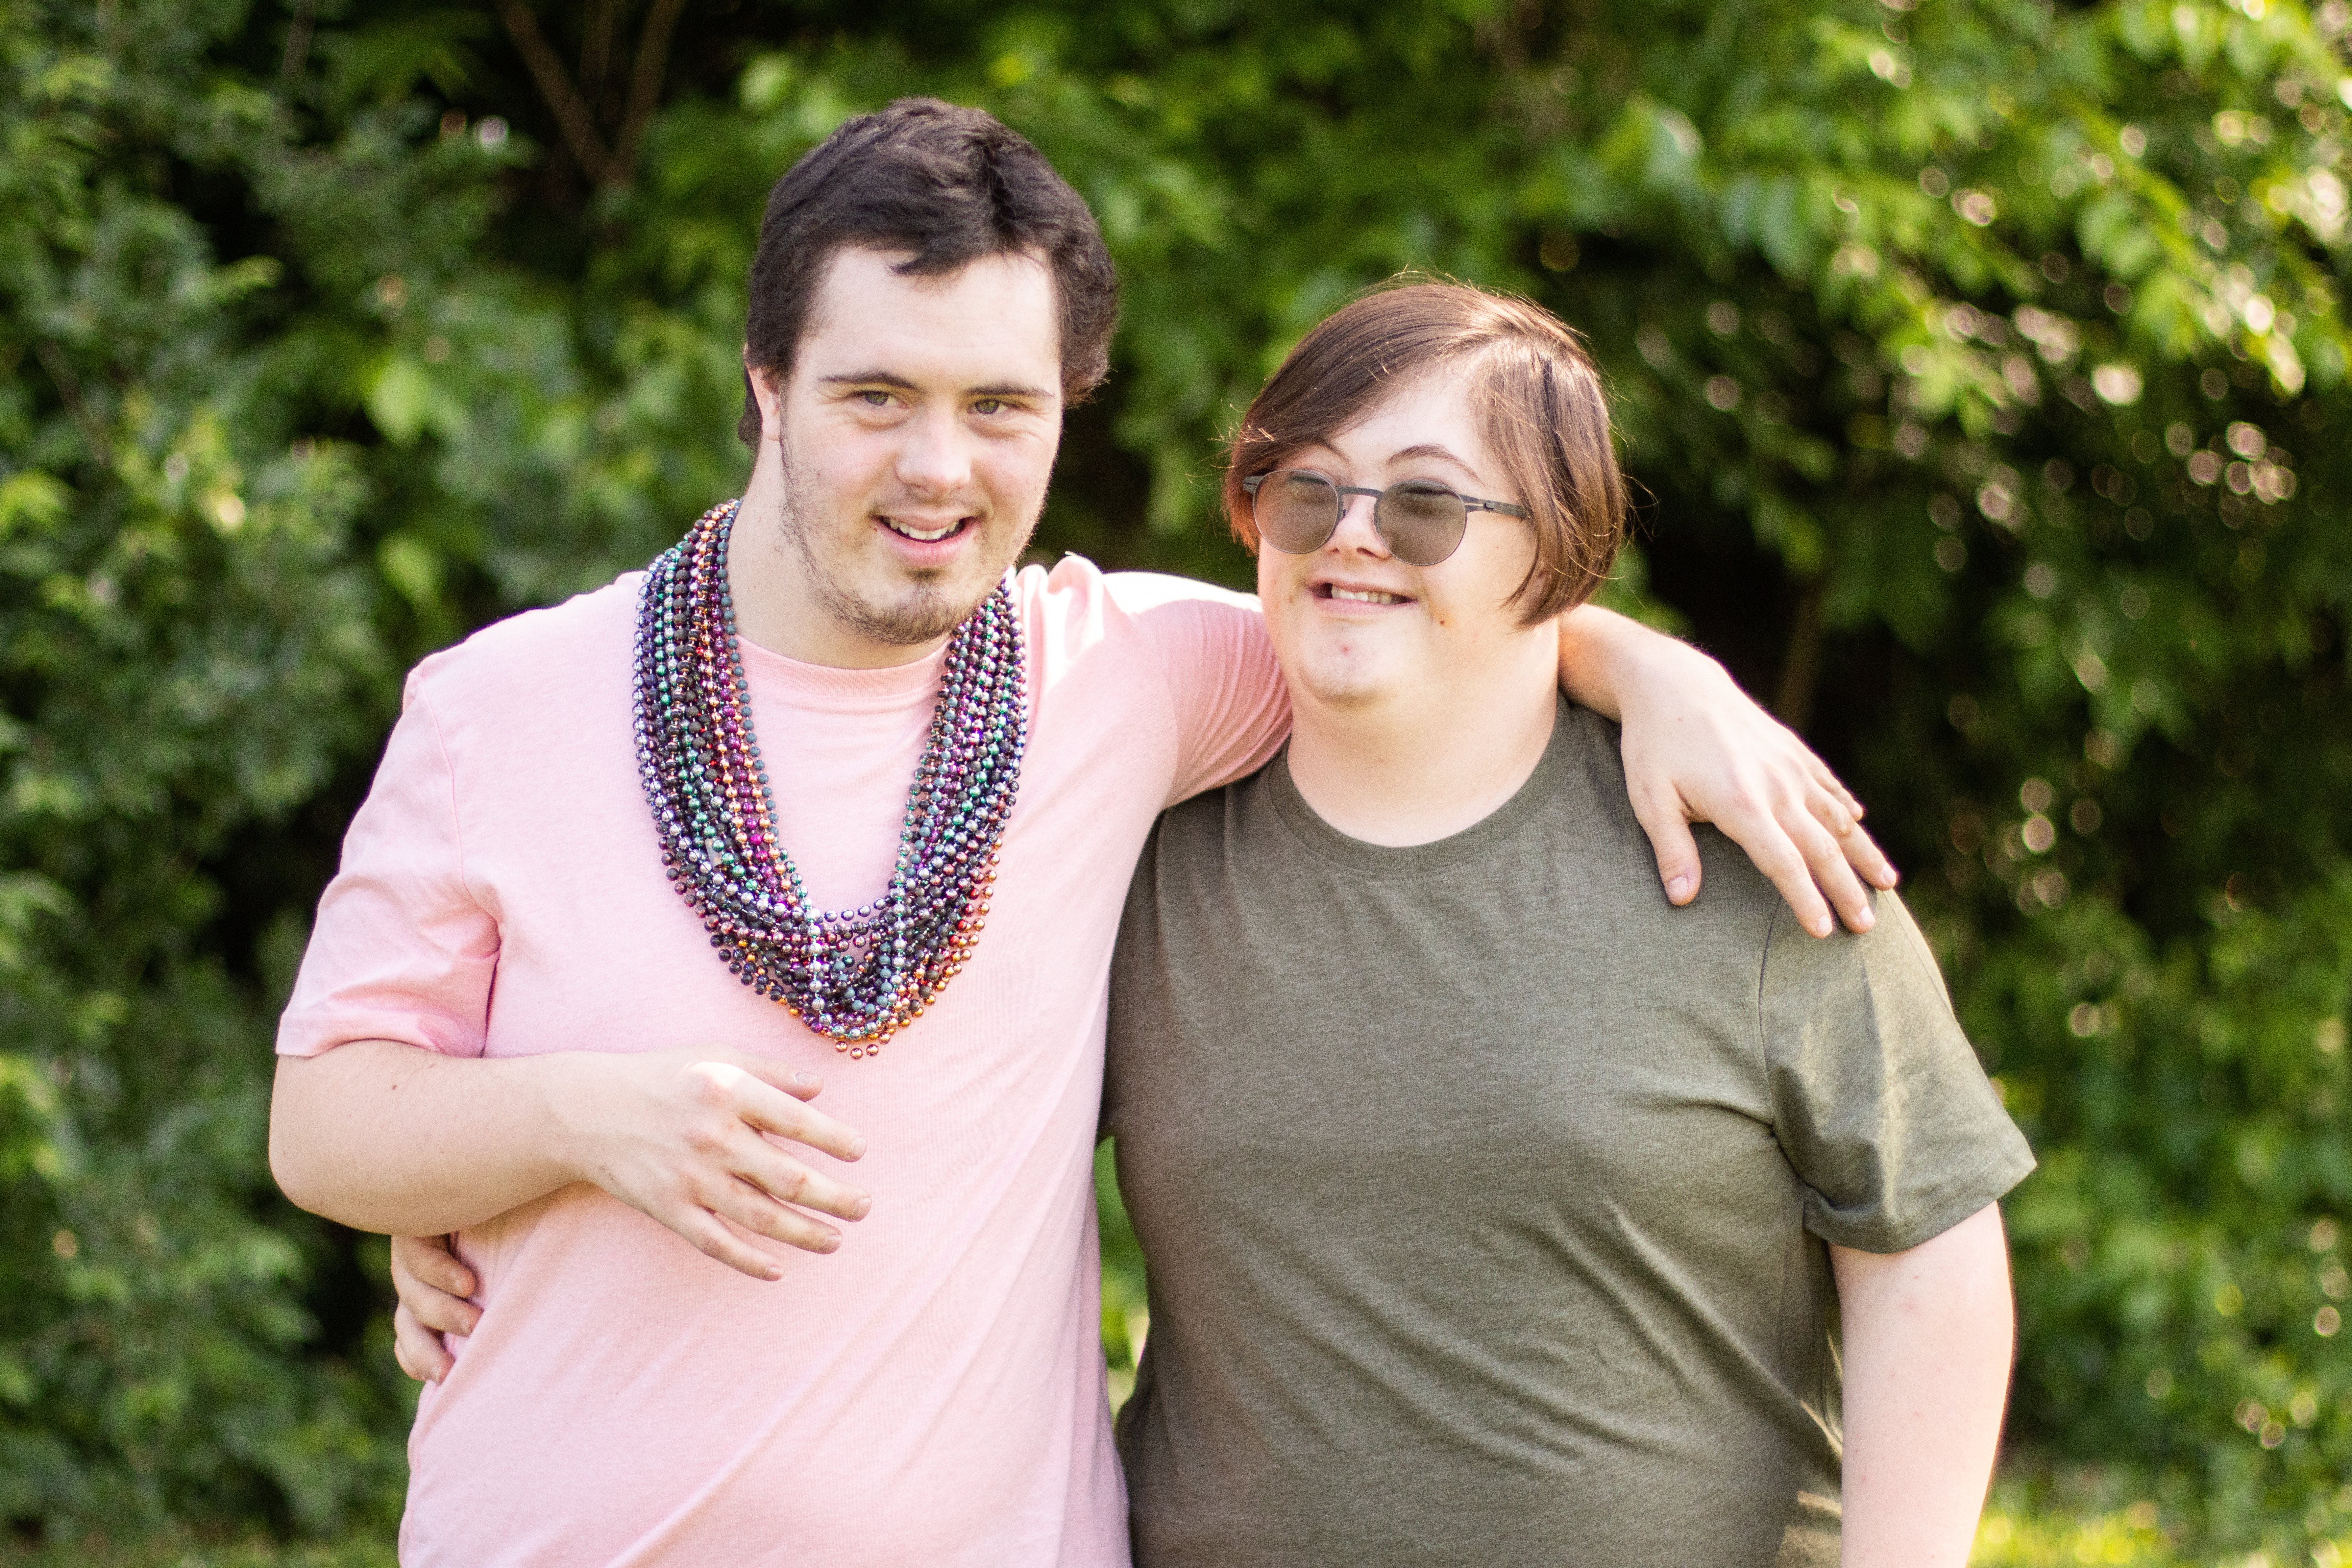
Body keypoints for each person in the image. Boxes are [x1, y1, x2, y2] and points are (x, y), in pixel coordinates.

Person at [269, 101, 1893, 1565]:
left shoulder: (1118, 676)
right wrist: (575, 1121)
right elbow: (323, 1121)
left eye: (1001, 405)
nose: (938, 467)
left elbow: (1403, 614)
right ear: (766, 385)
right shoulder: (502, 706)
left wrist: (1650, 668)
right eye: (875, 395)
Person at [1100, 281, 2032, 1567]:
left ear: (1556, 551)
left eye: (1426, 503)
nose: (1353, 536)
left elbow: (1927, 1246)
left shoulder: (1745, 842)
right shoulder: (1138, 857)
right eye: (1305, 489)